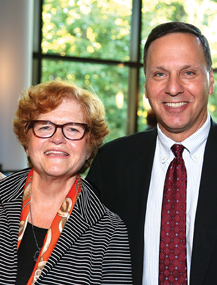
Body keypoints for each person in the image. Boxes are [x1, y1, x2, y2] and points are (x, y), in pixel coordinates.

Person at [86, 21, 217, 285]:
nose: (173, 88)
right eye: (159, 74)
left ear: (211, 80)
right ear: (146, 85)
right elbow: (86, 257)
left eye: (188, 73)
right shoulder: (112, 162)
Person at [0, 80, 132, 284]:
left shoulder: (109, 231)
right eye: (45, 126)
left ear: (89, 146)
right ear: (27, 141)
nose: (58, 138)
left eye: (72, 129)